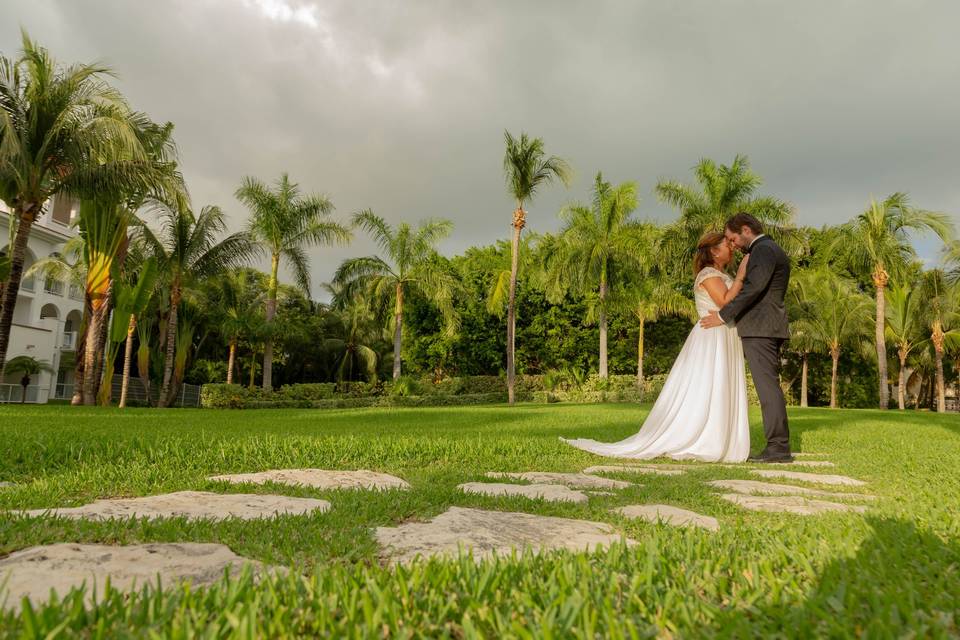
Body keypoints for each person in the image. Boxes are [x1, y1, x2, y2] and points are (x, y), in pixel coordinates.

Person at [561, 231, 750, 462]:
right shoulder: (708, 274)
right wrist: (741, 276)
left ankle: (722, 436)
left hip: (725, 334)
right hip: (712, 337)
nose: (732, 247)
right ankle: (704, 437)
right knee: (709, 385)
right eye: (726, 244)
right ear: (713, 250)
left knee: (720, 385)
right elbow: (723, 301)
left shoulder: (721, 273)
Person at [701, 212, 792, 463]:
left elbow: (753, 289)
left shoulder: (762, 250)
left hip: (761, 328)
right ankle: (778, 445)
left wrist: (722, 315)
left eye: (733, 238)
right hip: (767, 326)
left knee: (767, 388)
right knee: (768, 386)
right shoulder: (770, 248)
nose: (733, 244)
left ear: (745, 230)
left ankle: (778, 448)